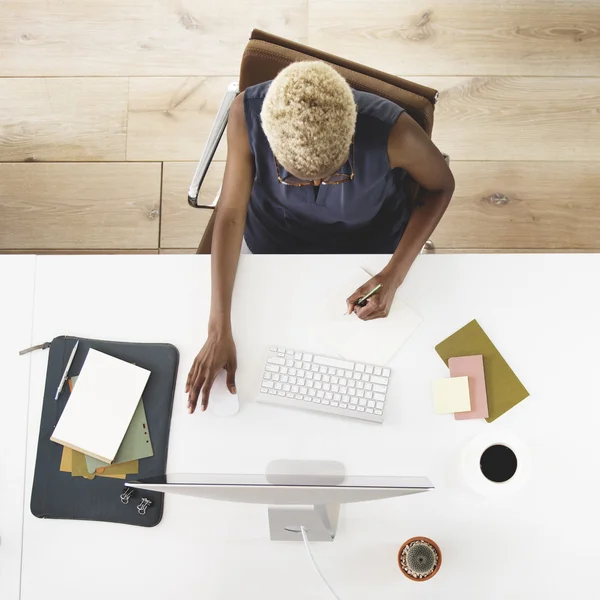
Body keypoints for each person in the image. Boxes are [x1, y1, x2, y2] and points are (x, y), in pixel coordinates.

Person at [186, 61, 454, 414]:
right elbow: (232, 212)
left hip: (369, 255)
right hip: (274, 248)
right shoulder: (245, 115)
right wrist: (218, 328)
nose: (314, 188)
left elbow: (441, 186)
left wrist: (394, 274)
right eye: (295, 179)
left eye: (333, 176)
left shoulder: (395, 134)